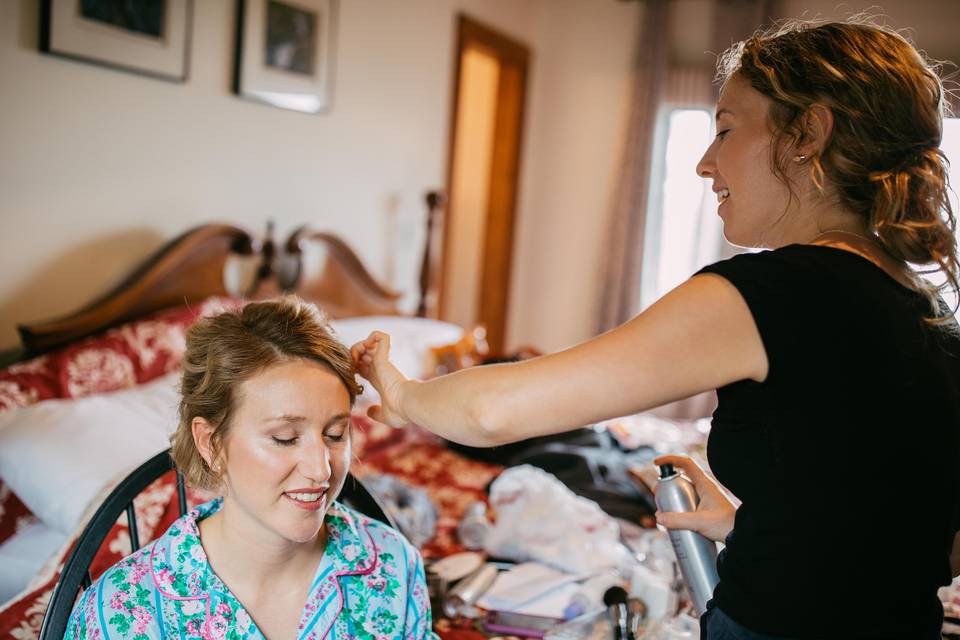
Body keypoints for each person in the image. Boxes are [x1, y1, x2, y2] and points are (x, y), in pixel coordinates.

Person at [353, 18, 960, 640]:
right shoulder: (927, 310)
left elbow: (494, 413)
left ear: (806, 135)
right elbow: (915, 538)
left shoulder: (779, 291)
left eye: (724, 129)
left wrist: (404, 396)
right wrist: (749, 528)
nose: (704, 164)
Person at [66, 297, 436, 639]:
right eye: (285, 438)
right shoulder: (125, 613)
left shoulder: (392, 566)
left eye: (335, 434)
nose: (321, 469)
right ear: (211, 443)